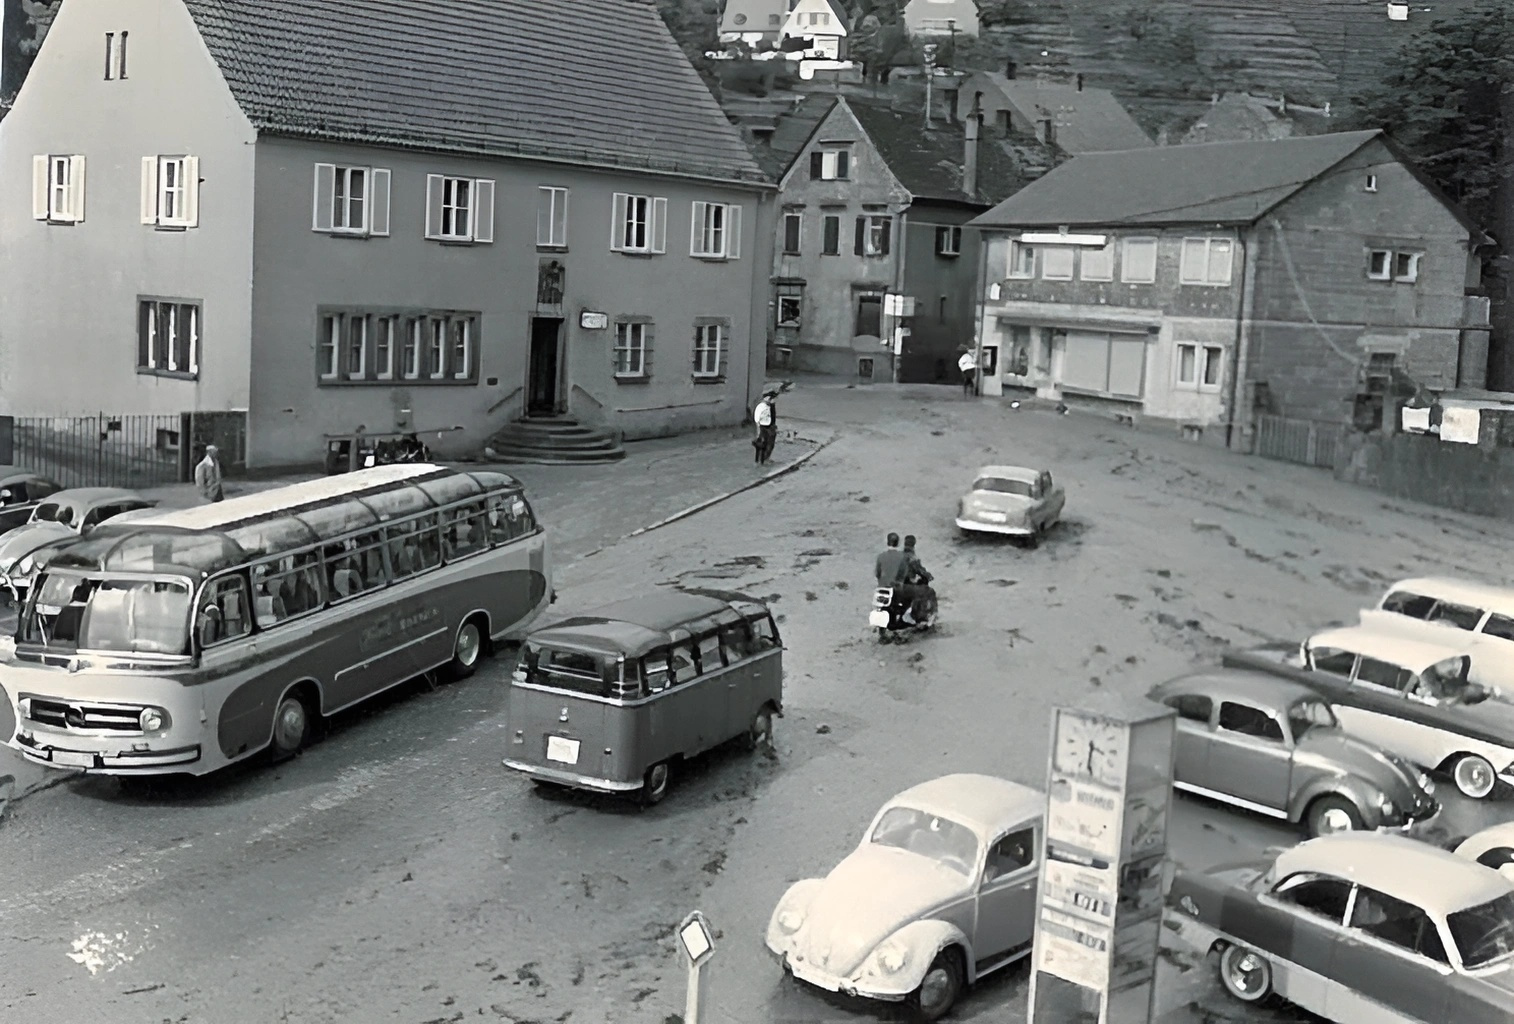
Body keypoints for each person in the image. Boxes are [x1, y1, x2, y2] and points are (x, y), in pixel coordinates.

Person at [900, 534, 936, 624]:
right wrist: (928, 576)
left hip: (895, 584)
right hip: (906, 585)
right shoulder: (912, 557)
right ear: (914, 544)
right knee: (927, 592)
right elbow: (919, 570)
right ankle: (920, 616)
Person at [753, 388, 778, 465]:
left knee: (770, 443)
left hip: (771, 426)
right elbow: (757, 418)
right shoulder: (761, 406)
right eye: (773, 399)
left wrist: (774, 425)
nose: (774, 400)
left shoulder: (771, 406)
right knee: (764, 443)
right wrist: (758, 430)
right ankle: (762, 459)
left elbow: (773, 416)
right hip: (764, 426)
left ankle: (766, 458)